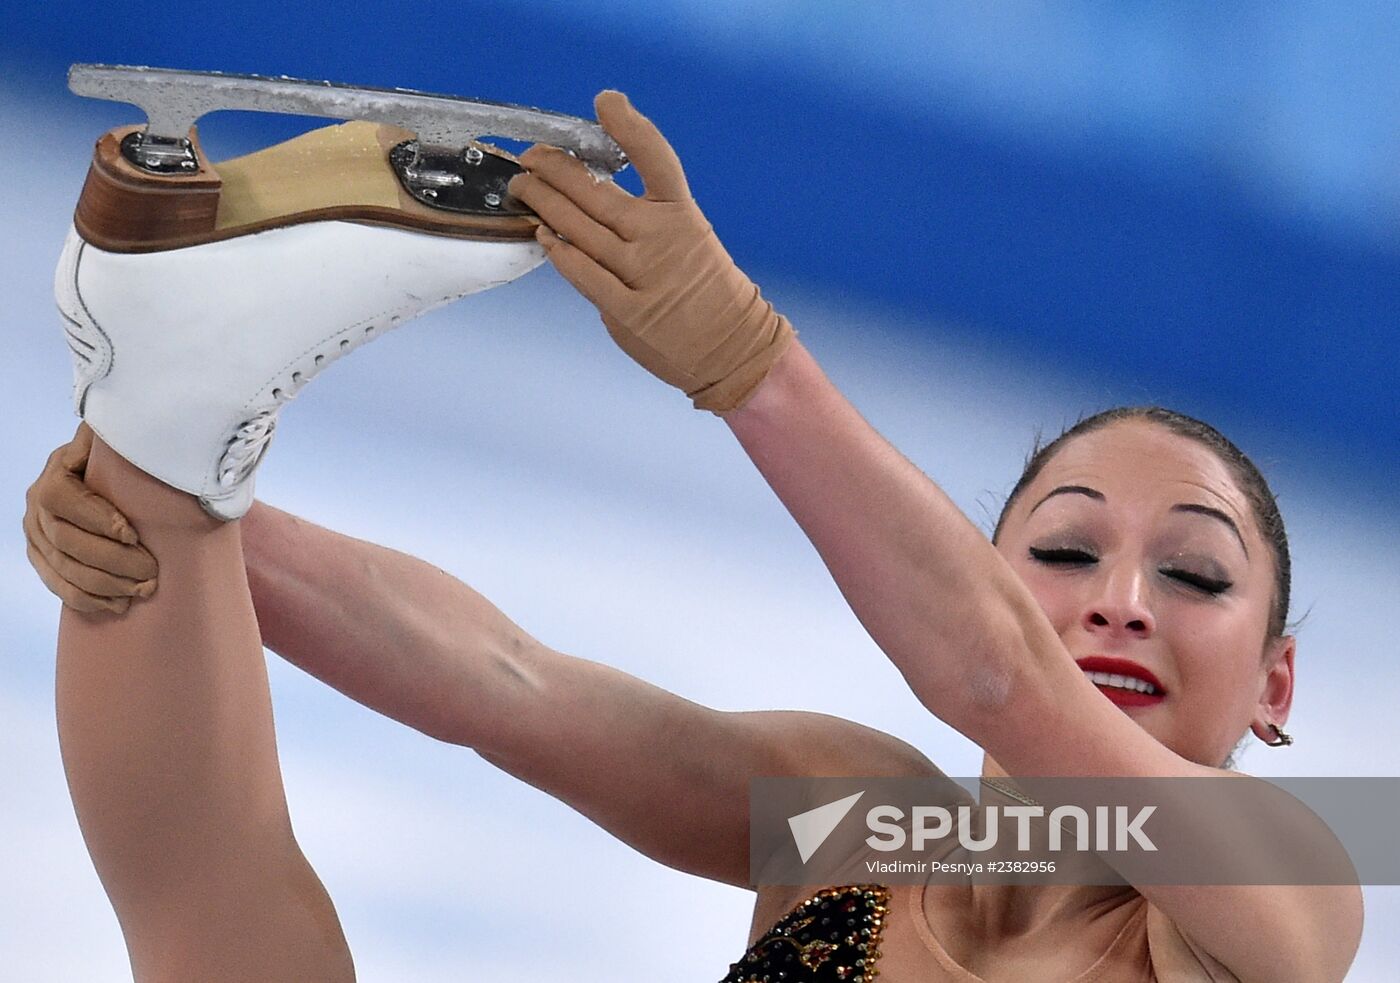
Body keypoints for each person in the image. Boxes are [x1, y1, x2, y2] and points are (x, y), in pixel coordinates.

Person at [24, 91, 1361, 981]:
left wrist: (749, 364)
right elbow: (504, 685)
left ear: (1275, 682)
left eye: (1192, 573)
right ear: (983, 576)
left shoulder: (1288, 889)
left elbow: (996, 675)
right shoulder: (868, 826)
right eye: (1064, 554)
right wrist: (187, 510)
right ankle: (173, 410)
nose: (1121, 599)